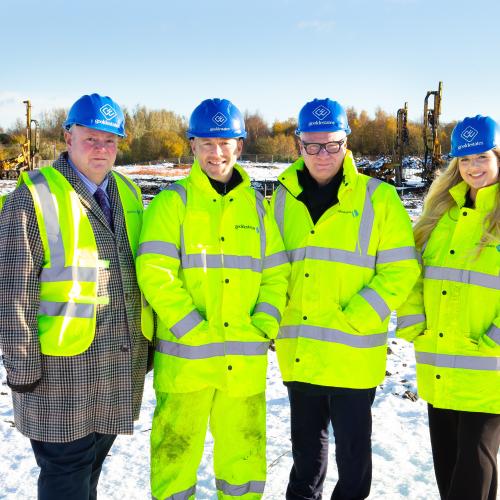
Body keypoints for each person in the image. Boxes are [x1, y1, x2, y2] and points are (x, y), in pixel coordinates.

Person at [0, 93, 153, 500]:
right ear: (68, 137)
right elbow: (12, 293)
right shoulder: (33, 198)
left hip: (117, 366)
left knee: (89, 473)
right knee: (66, 475)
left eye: (110, 140)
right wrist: (22, 369)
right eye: (91, 138)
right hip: (57, 375)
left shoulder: (129, 193)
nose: (101, 149)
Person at [136, 98, 290, 499]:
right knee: (174, 459)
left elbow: (276, 273)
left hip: (243, 365)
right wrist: (191, 328)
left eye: (225, 143)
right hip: (186, 365)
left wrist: (264, 326)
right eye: (207, 143)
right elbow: (154, 271)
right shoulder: (174, 202)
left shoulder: (257, 208)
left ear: (239, 146)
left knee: (243, 461)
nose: (216, 152)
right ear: (192, 146)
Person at [271, 98, 420, 500]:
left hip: (352, 352)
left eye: (332, 144)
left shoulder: (379, 198)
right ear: (299, 145)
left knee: (353, 458)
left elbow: (402, 268)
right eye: (313, 145)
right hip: (299, 348)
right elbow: (271, 267)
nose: (323, 155)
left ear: (346, 144)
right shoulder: (281, 198)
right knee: (305, 450)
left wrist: (358, 316)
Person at [397, 115, 500, 500]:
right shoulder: (439, 217)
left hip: (488, 369)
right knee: (450, 469)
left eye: (482, 158)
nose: (474, 167)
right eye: (465, 160)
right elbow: (410, 274)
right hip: (439, 364)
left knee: (471, 472)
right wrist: (414, 325)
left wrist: (492, 342)